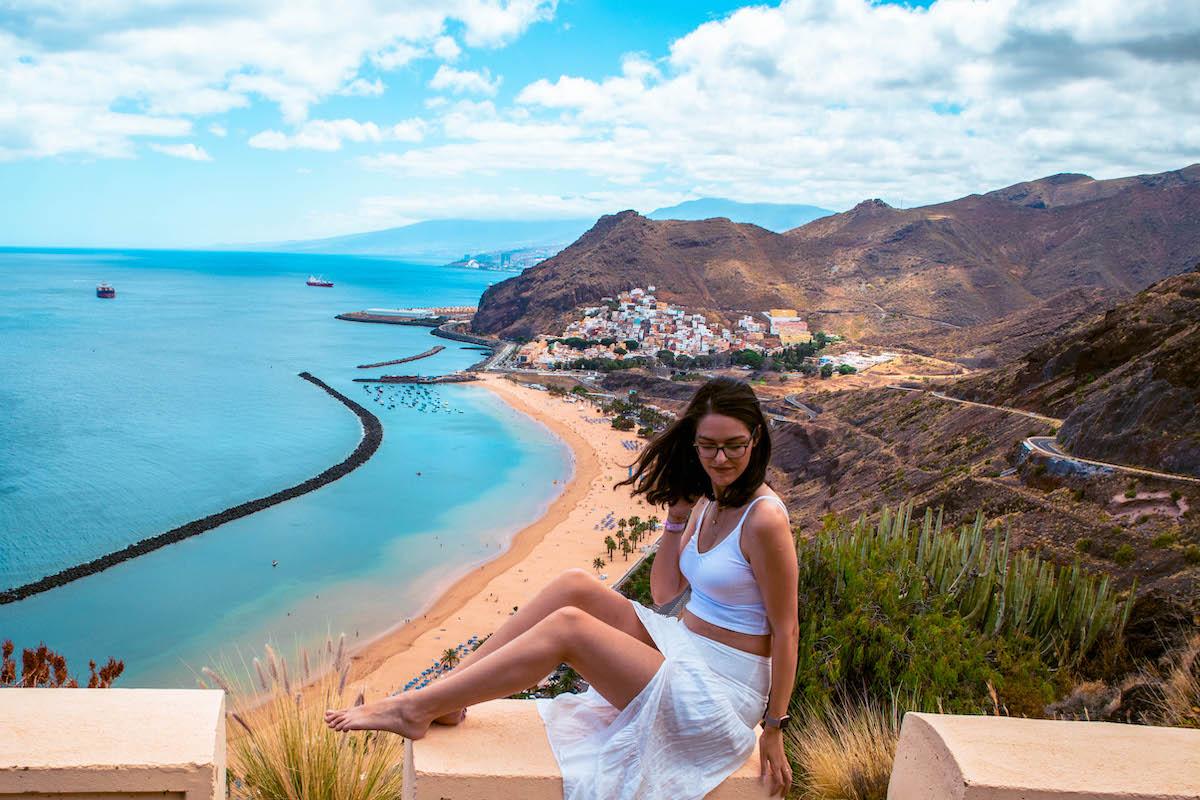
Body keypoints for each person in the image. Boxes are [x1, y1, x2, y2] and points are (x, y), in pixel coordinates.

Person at [326, 377, 798, 799]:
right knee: (575, 585)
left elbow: (786, 629)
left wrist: (774, 728)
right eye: (708, 446)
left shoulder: (765, 519)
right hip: (685, 649)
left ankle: (415, 709)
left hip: (721, 694)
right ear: (694, 442)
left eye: (734, 446)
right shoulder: (709, 501)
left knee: (570, 627)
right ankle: (452, 698)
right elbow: (665, 592)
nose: (720, 459)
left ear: (756, 439)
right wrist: (676, 517)